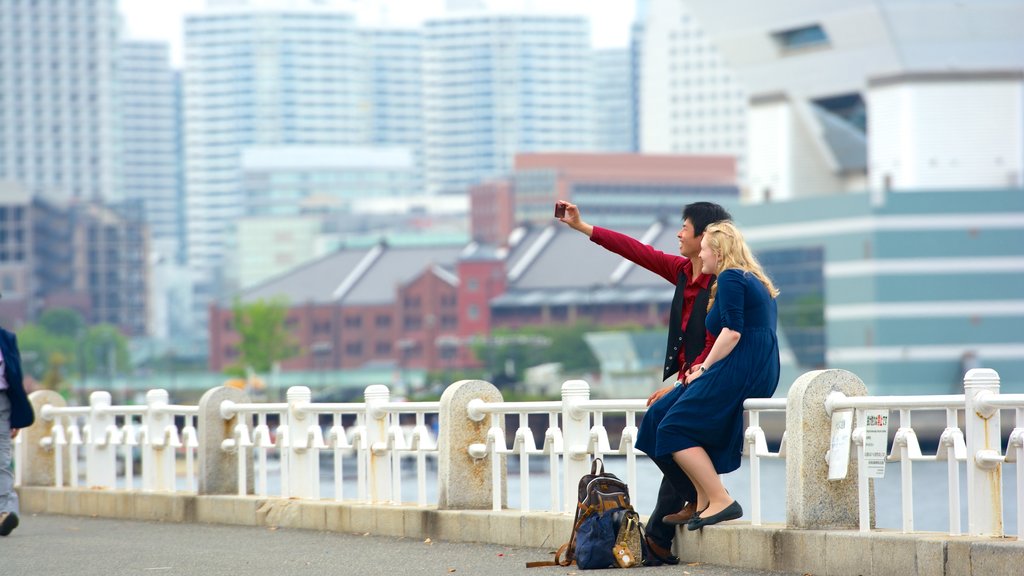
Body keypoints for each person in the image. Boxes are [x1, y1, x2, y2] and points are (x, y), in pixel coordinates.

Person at [556, 200, 732, 564]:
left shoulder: (725, 280)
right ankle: (668, 529)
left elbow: (723, 340)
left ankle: (669, 530)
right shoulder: (683, 271)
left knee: (667, 429)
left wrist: (681, 383)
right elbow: (637, 251)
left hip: (707, 378)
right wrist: (583, 226)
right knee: (659, 429)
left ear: (704, 236)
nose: (678, 234)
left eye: (685, 227)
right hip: (688, 379)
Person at [642, 220, 780, 531]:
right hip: (751, 363)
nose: (700, 257)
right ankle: (701, 500)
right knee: (657, 417)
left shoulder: (731, 277)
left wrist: (704, 368)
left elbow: (731, 332)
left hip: (742, 365)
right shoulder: (746, 278)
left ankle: (720, 499)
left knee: (674, 428)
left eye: (703, 250)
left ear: (718, 251)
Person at [1, 292, 35, 537]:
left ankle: (5, 512)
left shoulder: (7, 339)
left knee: (2, 459)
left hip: (3, 402)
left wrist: (16, 415)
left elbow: (15, 377)